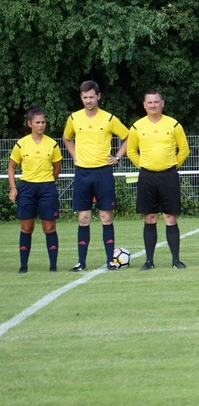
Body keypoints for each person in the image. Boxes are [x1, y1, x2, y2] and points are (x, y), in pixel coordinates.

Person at [62, 80, 129, 271]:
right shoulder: (74, 118)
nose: (88, 100)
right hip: (82, 172)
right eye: (85, 97)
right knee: (83, 218)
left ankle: (110, 261)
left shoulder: (109, 119)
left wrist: (117, 156)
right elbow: (67, 138)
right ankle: (81, 263)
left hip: (103, 172)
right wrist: (75, 155)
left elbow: (127, 137)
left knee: (106, 216)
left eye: (92, 96)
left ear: (98, 96)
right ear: (81, 98)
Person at [126, 90, 190, 270]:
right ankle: (149, 261)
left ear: (162, 103)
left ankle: (176, 260)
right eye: (150, 102)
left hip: (168, 175)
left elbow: (184, 150)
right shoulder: (137, 127)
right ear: (144, 105)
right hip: (147, 176)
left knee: (170, 216)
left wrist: (172, 166)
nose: (153, 105)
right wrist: (144, 166)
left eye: (156, 102)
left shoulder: (174, 124)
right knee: (150, 216)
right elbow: (131, 151)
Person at [8, 107, 61, 273]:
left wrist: (47, 183)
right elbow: (11, 167)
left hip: (47, 188)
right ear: (29, 123)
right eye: (37, 122)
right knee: (26, 228)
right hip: (26, 188)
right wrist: (13, 188)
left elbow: (56, 168)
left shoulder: (52, 144)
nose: (41, 125)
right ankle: (23, 266)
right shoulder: (21, 144)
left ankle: (53, 266)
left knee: (49, 228)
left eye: (43, 122)